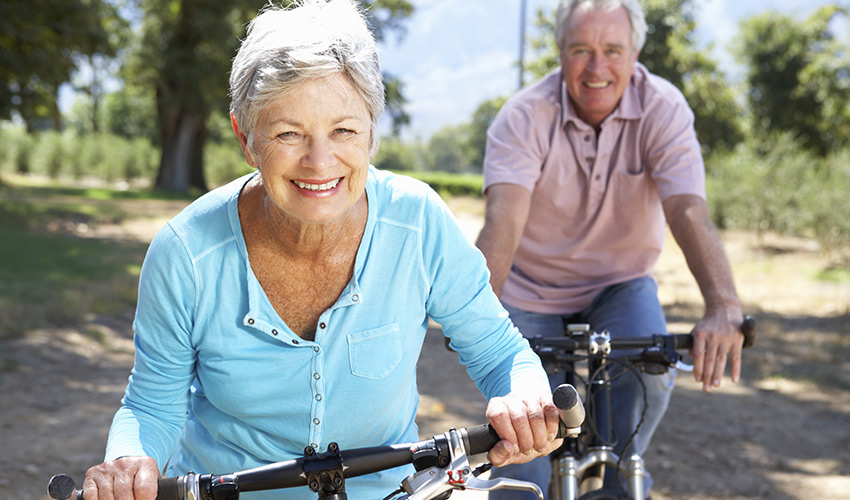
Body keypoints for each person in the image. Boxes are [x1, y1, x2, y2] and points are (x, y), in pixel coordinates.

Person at [81, 1, 564, 499]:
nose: (319, 161)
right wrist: (127, 463)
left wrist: (523, 394)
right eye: (289, 133)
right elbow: (153, 404)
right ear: (246, 139)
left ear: (372, 133)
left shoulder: (418, 222)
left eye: (344, 131)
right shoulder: (185, 255)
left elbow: (498, 351)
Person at [476, 0, 746, 498]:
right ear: (560, 51)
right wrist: (477, 311)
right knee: (522, 441)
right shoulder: (524, 115)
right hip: (529, 290)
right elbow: (504, 217)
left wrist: (724, 305)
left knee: (649, 379)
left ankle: (616, 484)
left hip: (619, 285)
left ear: (636, 51)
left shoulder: (663, 107)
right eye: (581, 50)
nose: (597, 68)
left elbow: (687, 209)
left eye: (612, 50)